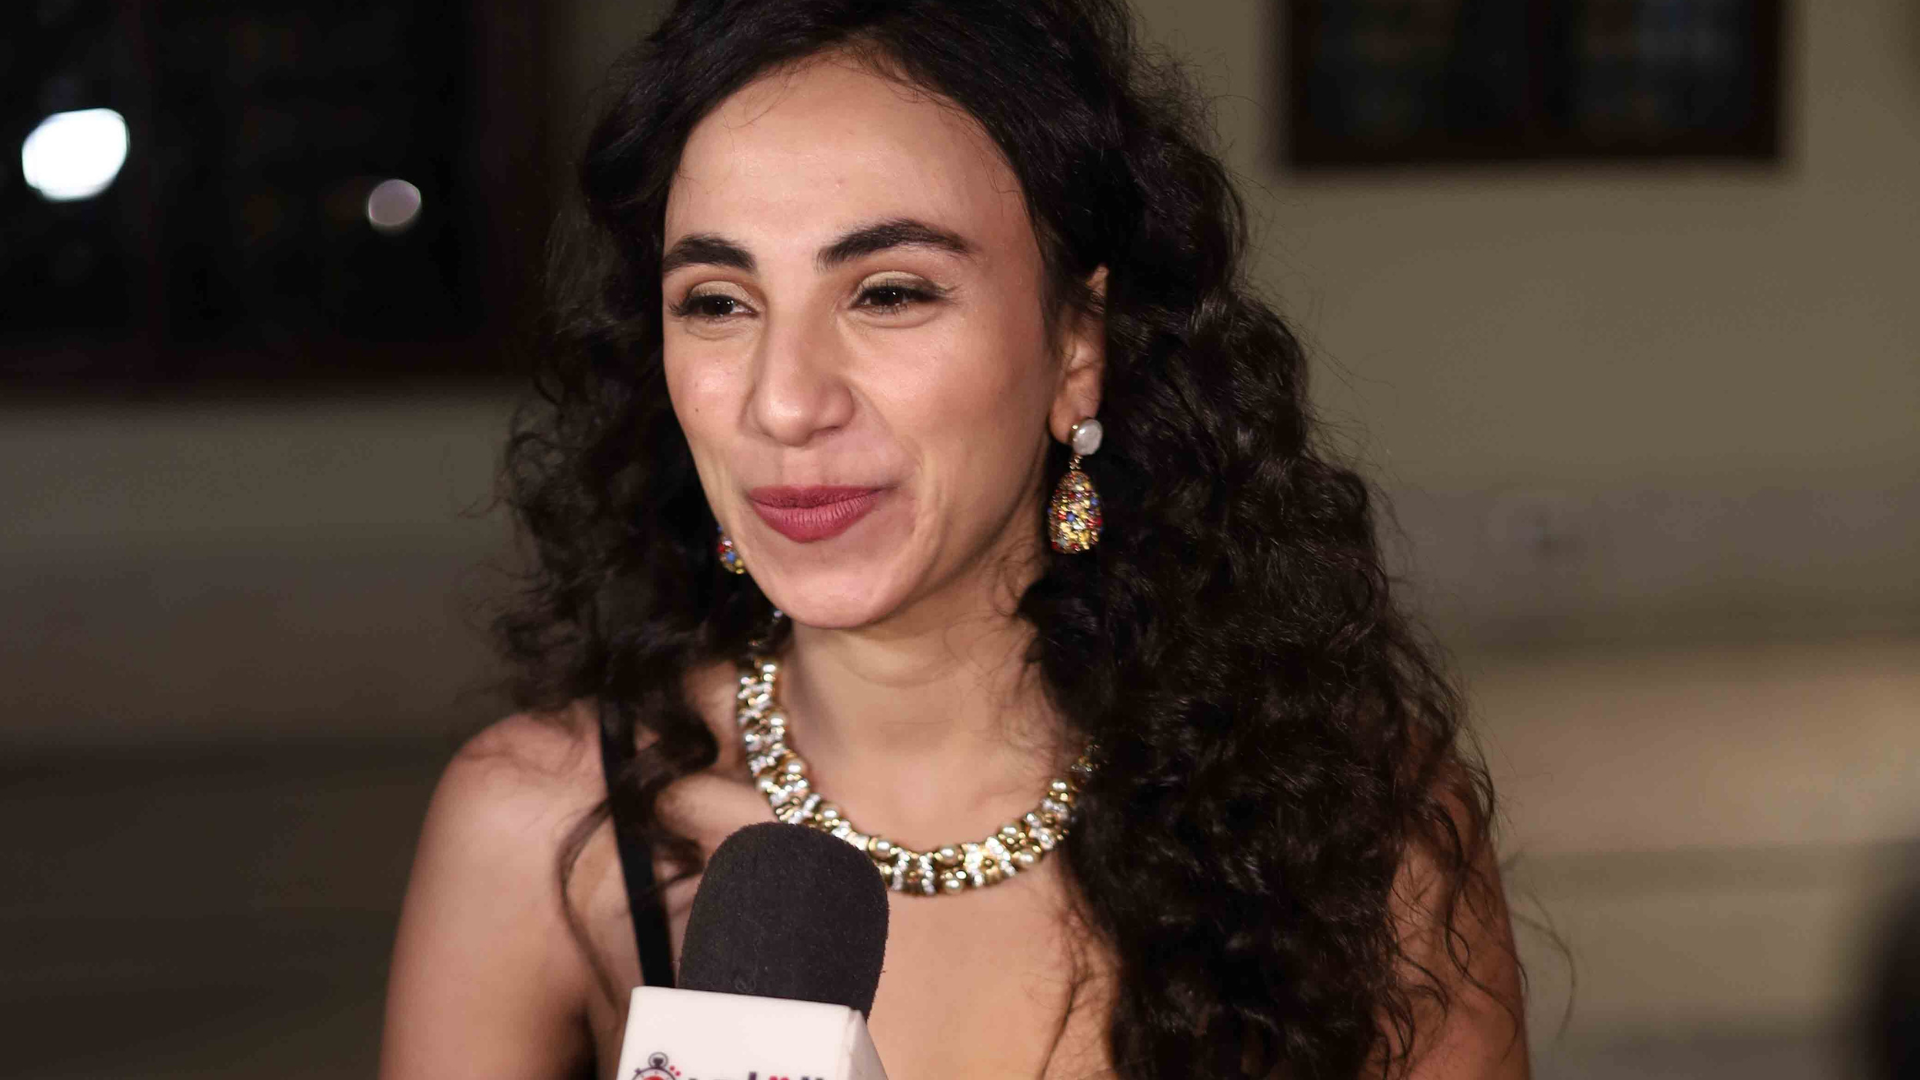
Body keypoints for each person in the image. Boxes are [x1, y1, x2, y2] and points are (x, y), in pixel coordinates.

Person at [379, 0, 1529, 1077]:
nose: (783, 402)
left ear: (1077, 345)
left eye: (889, 293)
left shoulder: (1351, 817)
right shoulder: (541, 829)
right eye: (718, 302)